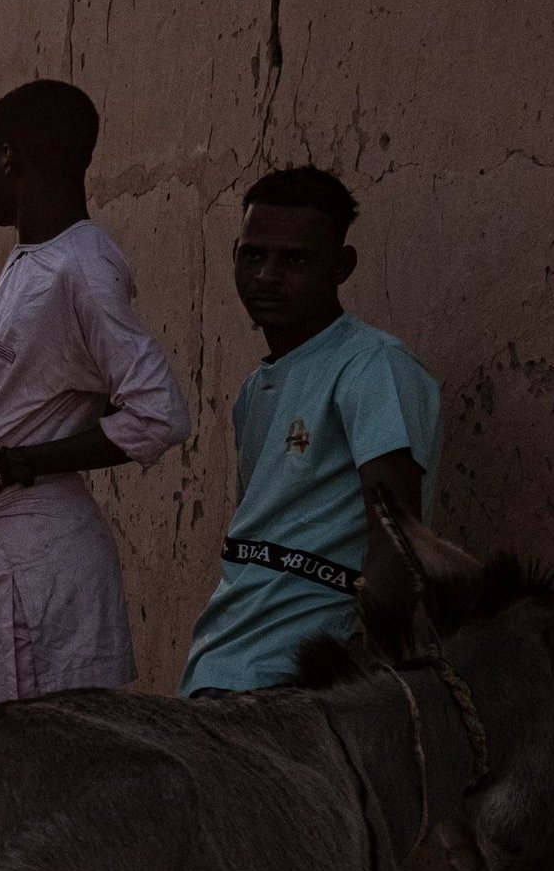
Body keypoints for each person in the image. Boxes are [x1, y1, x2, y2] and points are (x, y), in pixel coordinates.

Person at [0, 80, 190, 712]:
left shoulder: (84, 269)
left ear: (10, 156)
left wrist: (20, 462)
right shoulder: (35, 257)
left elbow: (159, 413)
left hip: (35, 581)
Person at [178, 167, 441, 695]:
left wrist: (362, 680)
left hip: (303, 681)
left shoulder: (371, 366)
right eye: (253, 255)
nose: (267, 275)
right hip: (221, 663)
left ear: (341, 267)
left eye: (294, 259)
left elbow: (397, 540)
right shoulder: (256, 390)